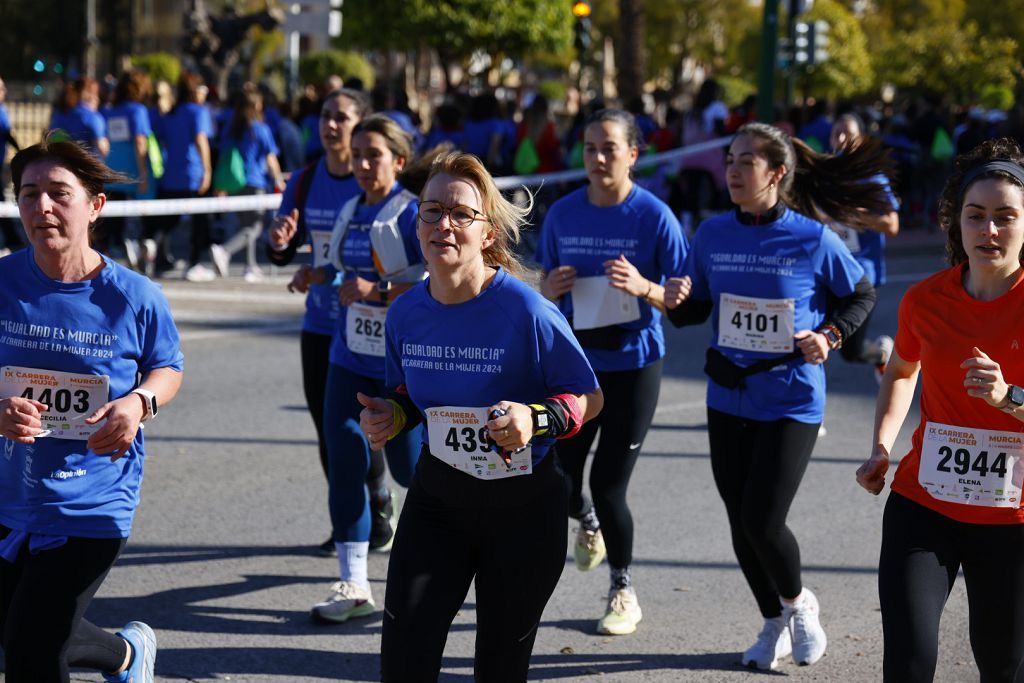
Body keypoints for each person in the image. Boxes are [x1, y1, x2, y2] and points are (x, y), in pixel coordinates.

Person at [357, 151, 603, 681]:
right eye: (431, 210)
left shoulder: (527, 311)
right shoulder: (404, 313)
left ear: (487, 232)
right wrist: (393, 415)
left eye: (461, 213)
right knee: (403, 661)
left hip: (522, 513)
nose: (443, 223)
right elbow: (409, 394)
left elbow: (588, 397)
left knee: (498, 668)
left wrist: (535, 420)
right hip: (437, 503)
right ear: (415, 222)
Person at [663, 121, 887, 670]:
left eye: (746, 162)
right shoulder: (713, 234)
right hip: (727, 395)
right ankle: (772, 622)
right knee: (739, 520)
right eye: (730, 160)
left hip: (791, 397)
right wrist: (673, 298)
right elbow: (694, 311)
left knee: (762, 518)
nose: (732, 171)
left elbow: (860, 294)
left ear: (777, 173)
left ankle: (799, 603)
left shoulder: (812, 238)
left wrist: (830, 335)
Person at [0, 135, 183, 682]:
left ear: (95, 204)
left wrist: (138, 402)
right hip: (9, 492)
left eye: (59, 193)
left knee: (32, 651)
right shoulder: (2, 282)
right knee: (19, 631)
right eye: (29, 195)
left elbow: (167, 367)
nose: (42, 208)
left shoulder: (133, 296)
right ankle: (128, 656)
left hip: (92, 500)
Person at [855, 138, 1024, 682]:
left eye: (1005, 217)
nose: (989, 230)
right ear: (957, 224)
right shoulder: (925, 300)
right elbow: (903, 371)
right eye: (975, 216)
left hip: (1012, 520)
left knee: (1003, 667)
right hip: (924, 503)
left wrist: (1008, 398)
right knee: (907, 663)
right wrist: (883, 445)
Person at [536, 108, 688, 636]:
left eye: (609, 148)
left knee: (607, 483)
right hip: (574, 367)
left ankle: (622, 589)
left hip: (633, 365)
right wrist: (549, 287)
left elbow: (683, 300)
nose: (598, 159)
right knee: (558, 480)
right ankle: (589, 527)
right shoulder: (562, 214)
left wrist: (644, 287)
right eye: (589, 148)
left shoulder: (654, 217)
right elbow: (543, 287)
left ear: (633, 155)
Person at [295, 114, 425, 622]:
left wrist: (380, 291)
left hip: (400, 364)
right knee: (344, 458)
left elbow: (440, 284)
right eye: (359, 154)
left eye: (375, 155)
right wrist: (314, 273)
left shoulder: (413, 214)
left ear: (398, 161)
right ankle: (354, 583)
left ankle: (449, 560)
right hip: (348, 355)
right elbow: (342, 268)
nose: (364, 164)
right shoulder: (350, 206)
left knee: (411, 469)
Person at [268, 89, 399, 556]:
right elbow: (283, 245)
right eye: (325, 116)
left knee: (381, 431)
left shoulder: (373, 187)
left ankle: (378, 494)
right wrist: (282, 245)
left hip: (376, 328)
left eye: (341, 117)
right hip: (322, 324)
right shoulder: (304, 180)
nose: (330, 125)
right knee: (332, 430)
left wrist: (375, 289)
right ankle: (354, 516)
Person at [826, 112, 901, 382]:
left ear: (862, 140)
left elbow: (892, 225)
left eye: (849, 133)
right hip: (826, 272)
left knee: (851, 351)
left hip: (861, 276)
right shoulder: (824, 176)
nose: (842, 139)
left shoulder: (872, 179)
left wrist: (853, 214)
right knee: (811, 337)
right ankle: (807, 414)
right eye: (837, 133)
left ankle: (881, 354)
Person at [210, 83, 283, 281]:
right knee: (255, 227)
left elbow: (224, 159)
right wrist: (278, 180)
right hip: (256, 182)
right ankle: (224, 251)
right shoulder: (262, 130)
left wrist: (221, 186)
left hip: (236, 183)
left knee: (246, 225)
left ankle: (250, 266)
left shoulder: (231, 130)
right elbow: (271, 159)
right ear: (257, 106)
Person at [150, 71, 217, 282]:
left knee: (171, 217)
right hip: (193, 173)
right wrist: (207, 169)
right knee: (199, 219)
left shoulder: (171, 113)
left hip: (172, 174)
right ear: (196, 91)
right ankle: (195, 263)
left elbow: (163, 139)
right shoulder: (198, 112)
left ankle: (154, 242)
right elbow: (200, 140)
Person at [99, 71, 154, 269]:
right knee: (140, 214)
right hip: (132, 169)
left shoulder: (108, 111)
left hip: (111, 168)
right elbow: (140, 142)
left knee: (113, 218)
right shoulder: (138, 111)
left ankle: (114, 250)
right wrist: (143, 173)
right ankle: (135, 244)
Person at [50, 78, 108, 159]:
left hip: (64, 164)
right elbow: (102, 147)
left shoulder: (59, 115)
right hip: (88, 166)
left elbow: (53, 141)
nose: (98, 99)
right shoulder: (93, 117)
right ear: (89, 95)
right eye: (96, 94)